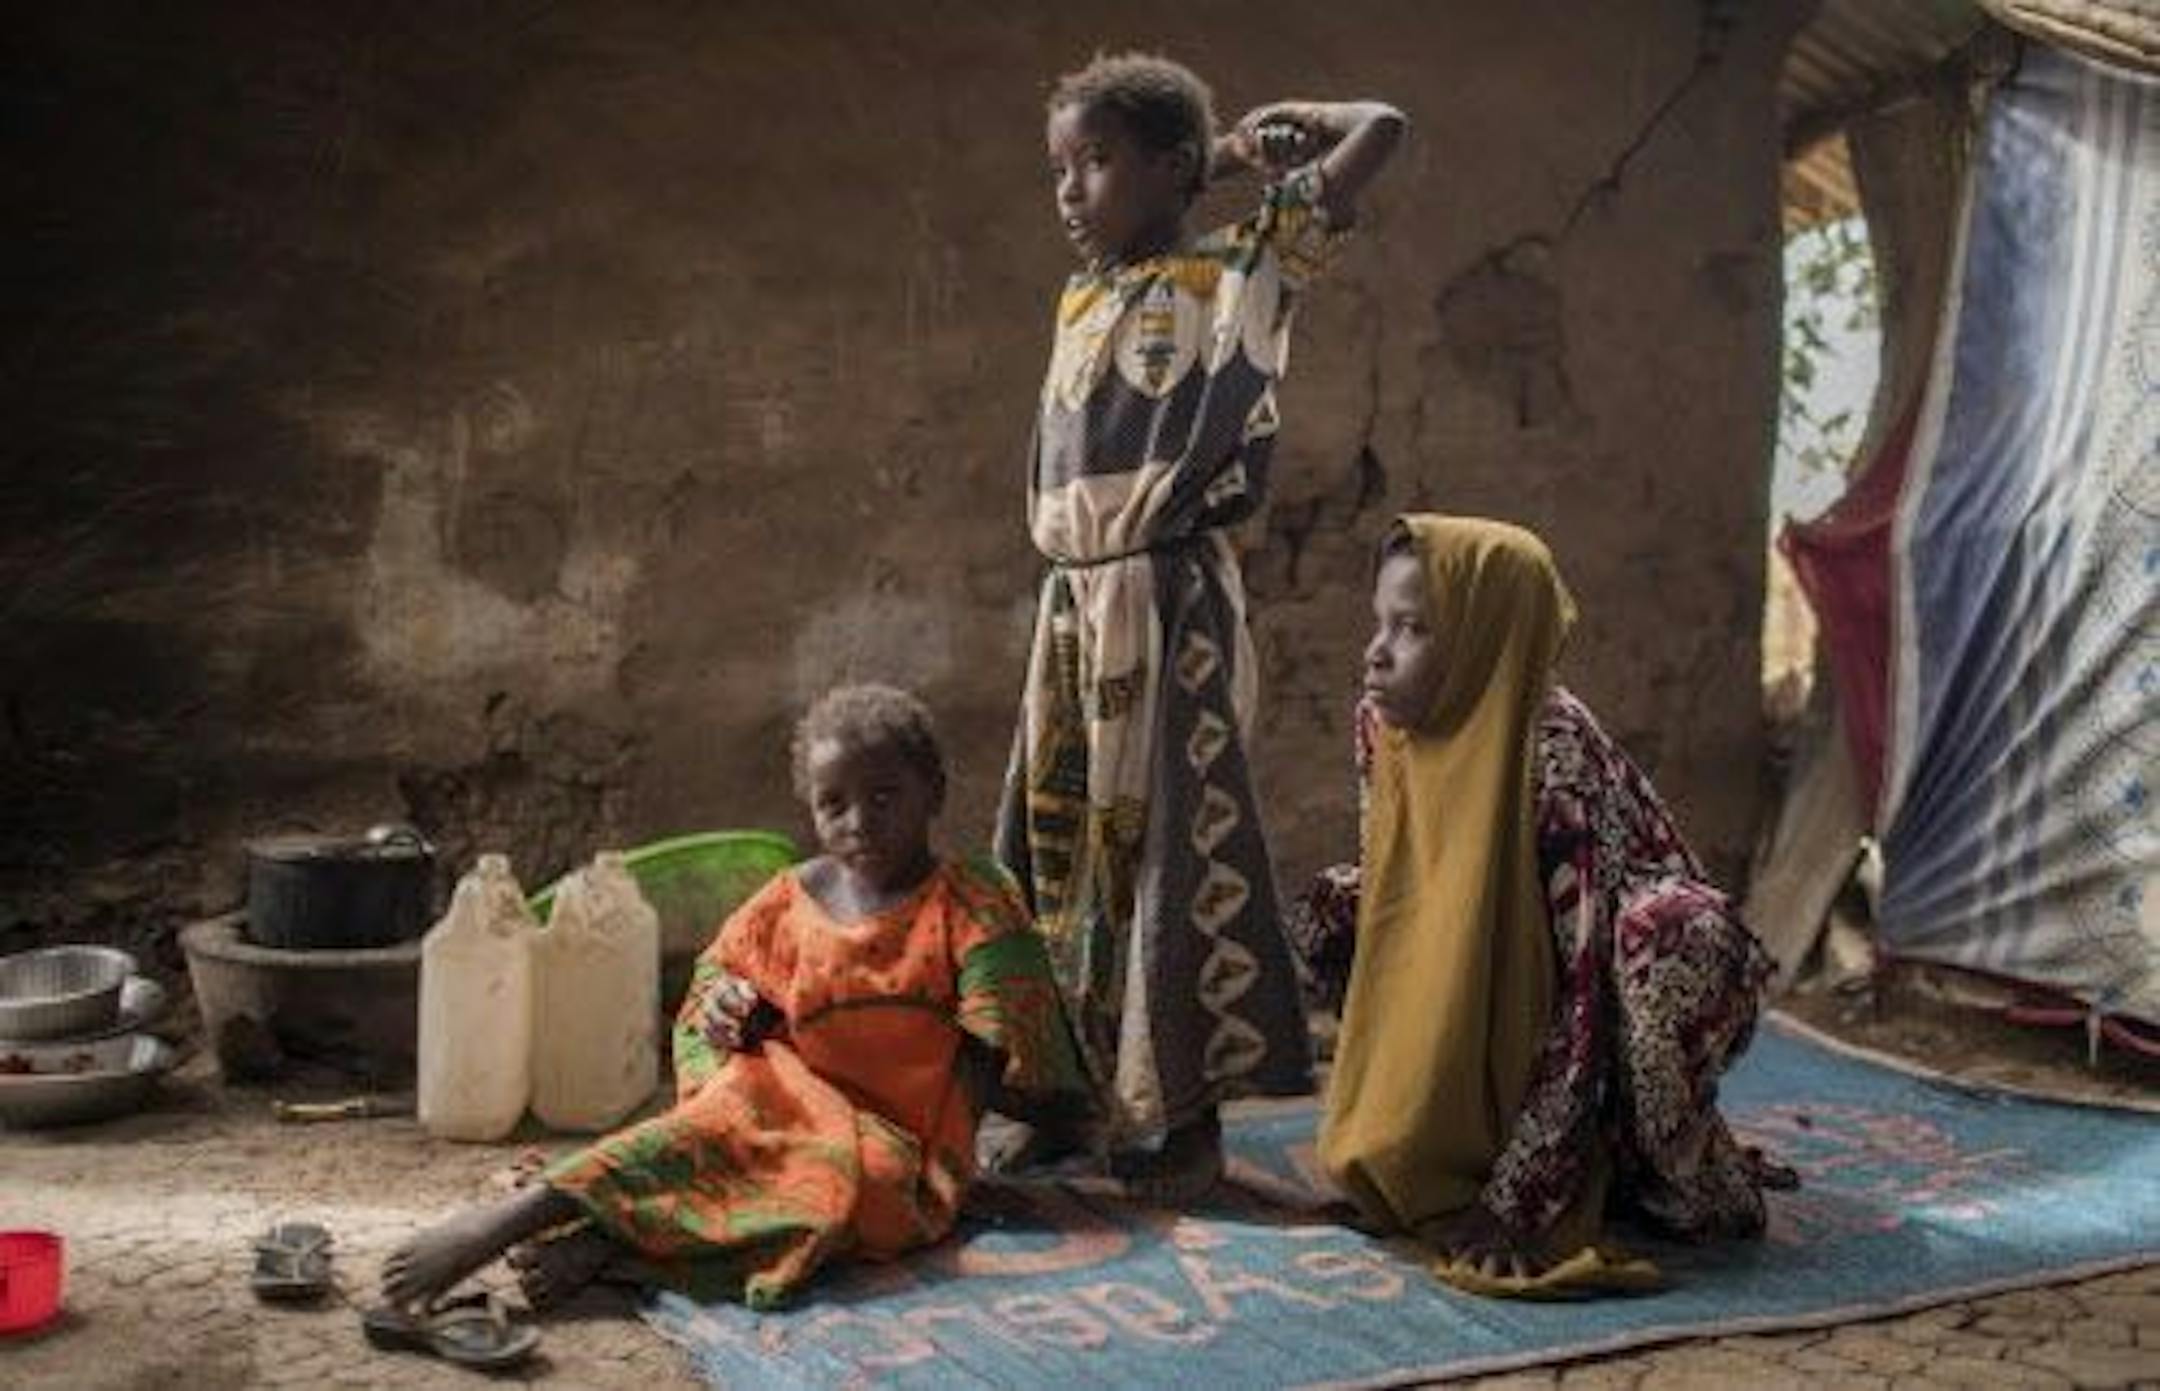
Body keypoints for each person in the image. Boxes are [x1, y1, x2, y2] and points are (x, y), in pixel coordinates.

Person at [994, 50, 1407, 1202]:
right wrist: (1187, 163)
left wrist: (1233, 150)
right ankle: (1061, 1097)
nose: (1071, 189)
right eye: (1060, 167)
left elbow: (1379, 125)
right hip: (1073, 608)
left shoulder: (1242, 271)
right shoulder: (1081, 297)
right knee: (1063, 849)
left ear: (1171, 168)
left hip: (1172, 601)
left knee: (1177, 847)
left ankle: (1184, 1120)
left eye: (1098, 162)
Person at [380, 684, 1086, 1335]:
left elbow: (1005, 1039)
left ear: (934, 792)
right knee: (704, 1131)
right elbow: (714, 987)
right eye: (833, 803)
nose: (859, 822)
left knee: (851, 1199)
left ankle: (612, 1247)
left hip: (897, 1138)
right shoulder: (789, 899)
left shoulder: (974, 900)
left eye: (884, 795)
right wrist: (728, 1014)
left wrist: (953, 1161)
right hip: (783, 1097)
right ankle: (515, 1217)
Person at [1297, 515, 1788, 1297]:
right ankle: (1443, 1136)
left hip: (1611, 988)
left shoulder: (1551, 750)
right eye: (1379, 621)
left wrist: (1517, 1202)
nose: (1377, 652)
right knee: (1334, 905)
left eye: (1414, 628)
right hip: (1488, 947)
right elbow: (1405, 896)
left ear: (1487, 639)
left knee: (1662, 937)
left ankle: (1680, 1172)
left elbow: (1583, 985)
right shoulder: (1382, 723)